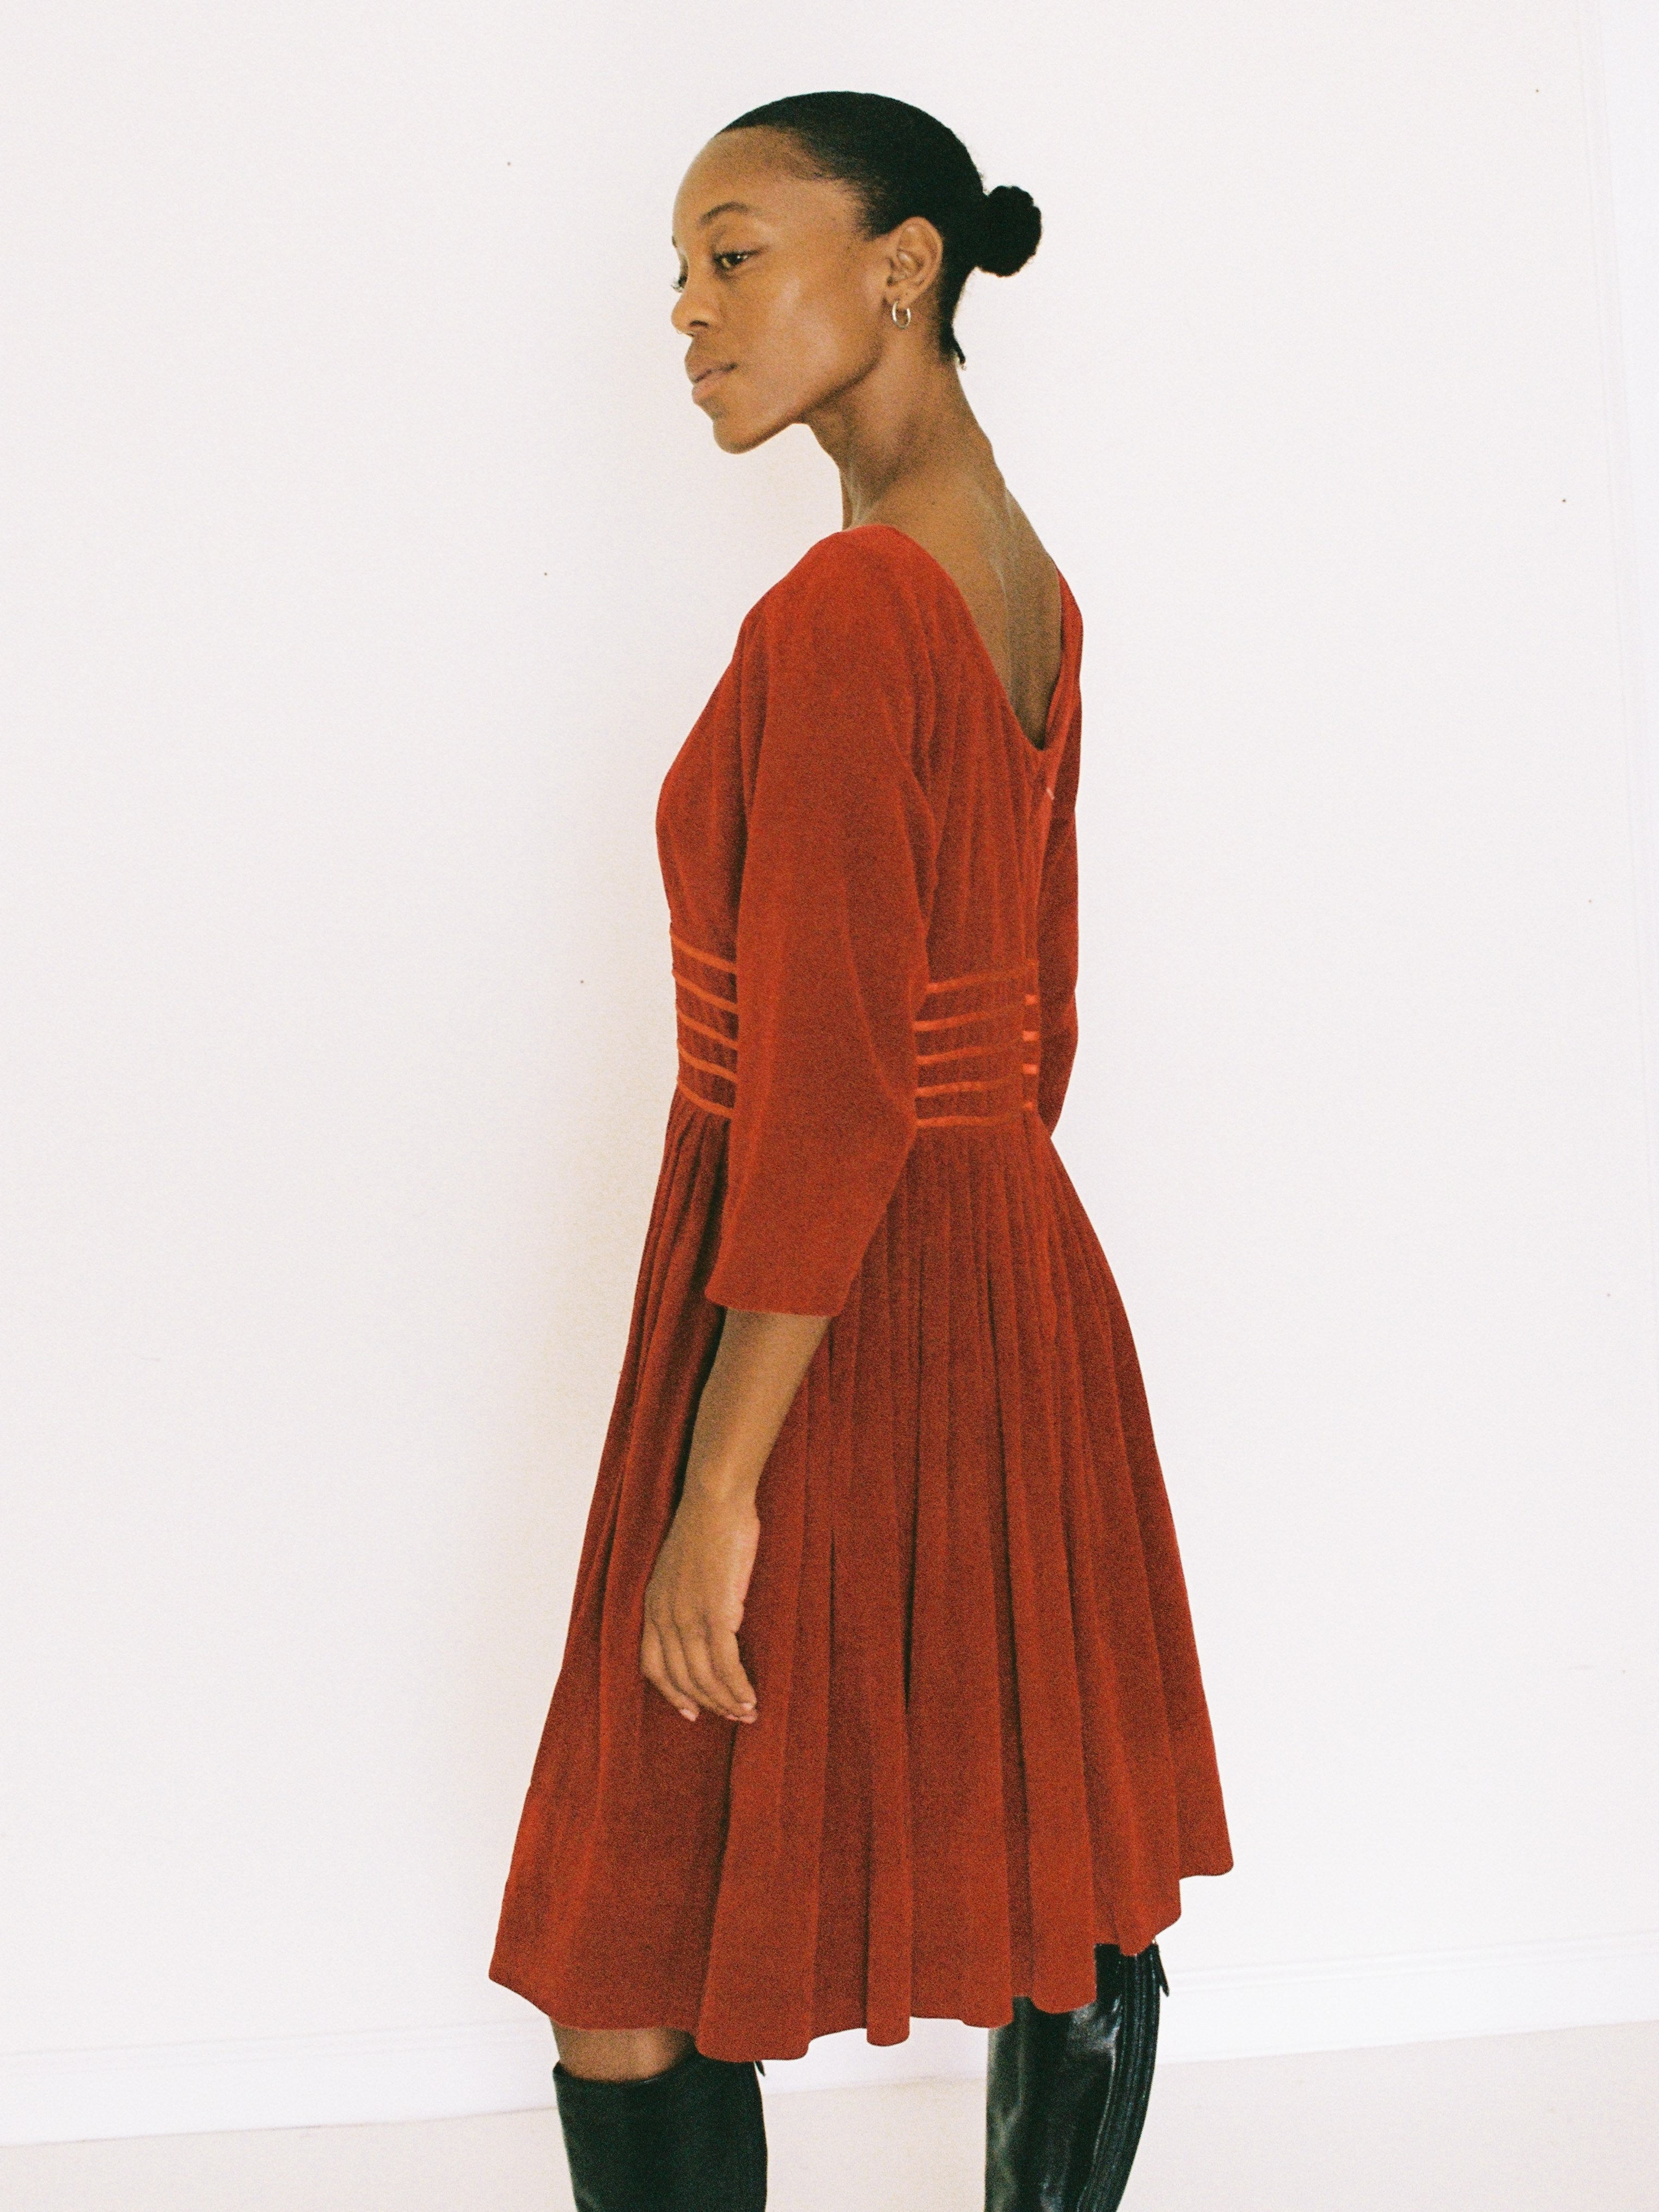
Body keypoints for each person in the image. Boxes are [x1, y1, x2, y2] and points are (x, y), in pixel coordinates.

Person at [491, 89, 1233, 2212]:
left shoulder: (844, 619)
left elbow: (822, 1089)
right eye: (679, 274)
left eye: (735, 255)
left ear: (901, 267)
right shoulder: (1022, 584)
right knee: (1054, 1844)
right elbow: (1038, 1011)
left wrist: (720, 1480)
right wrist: (976, 1269)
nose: (690, 315)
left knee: (618, 1922)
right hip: (999, 1265)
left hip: (808, 1292)